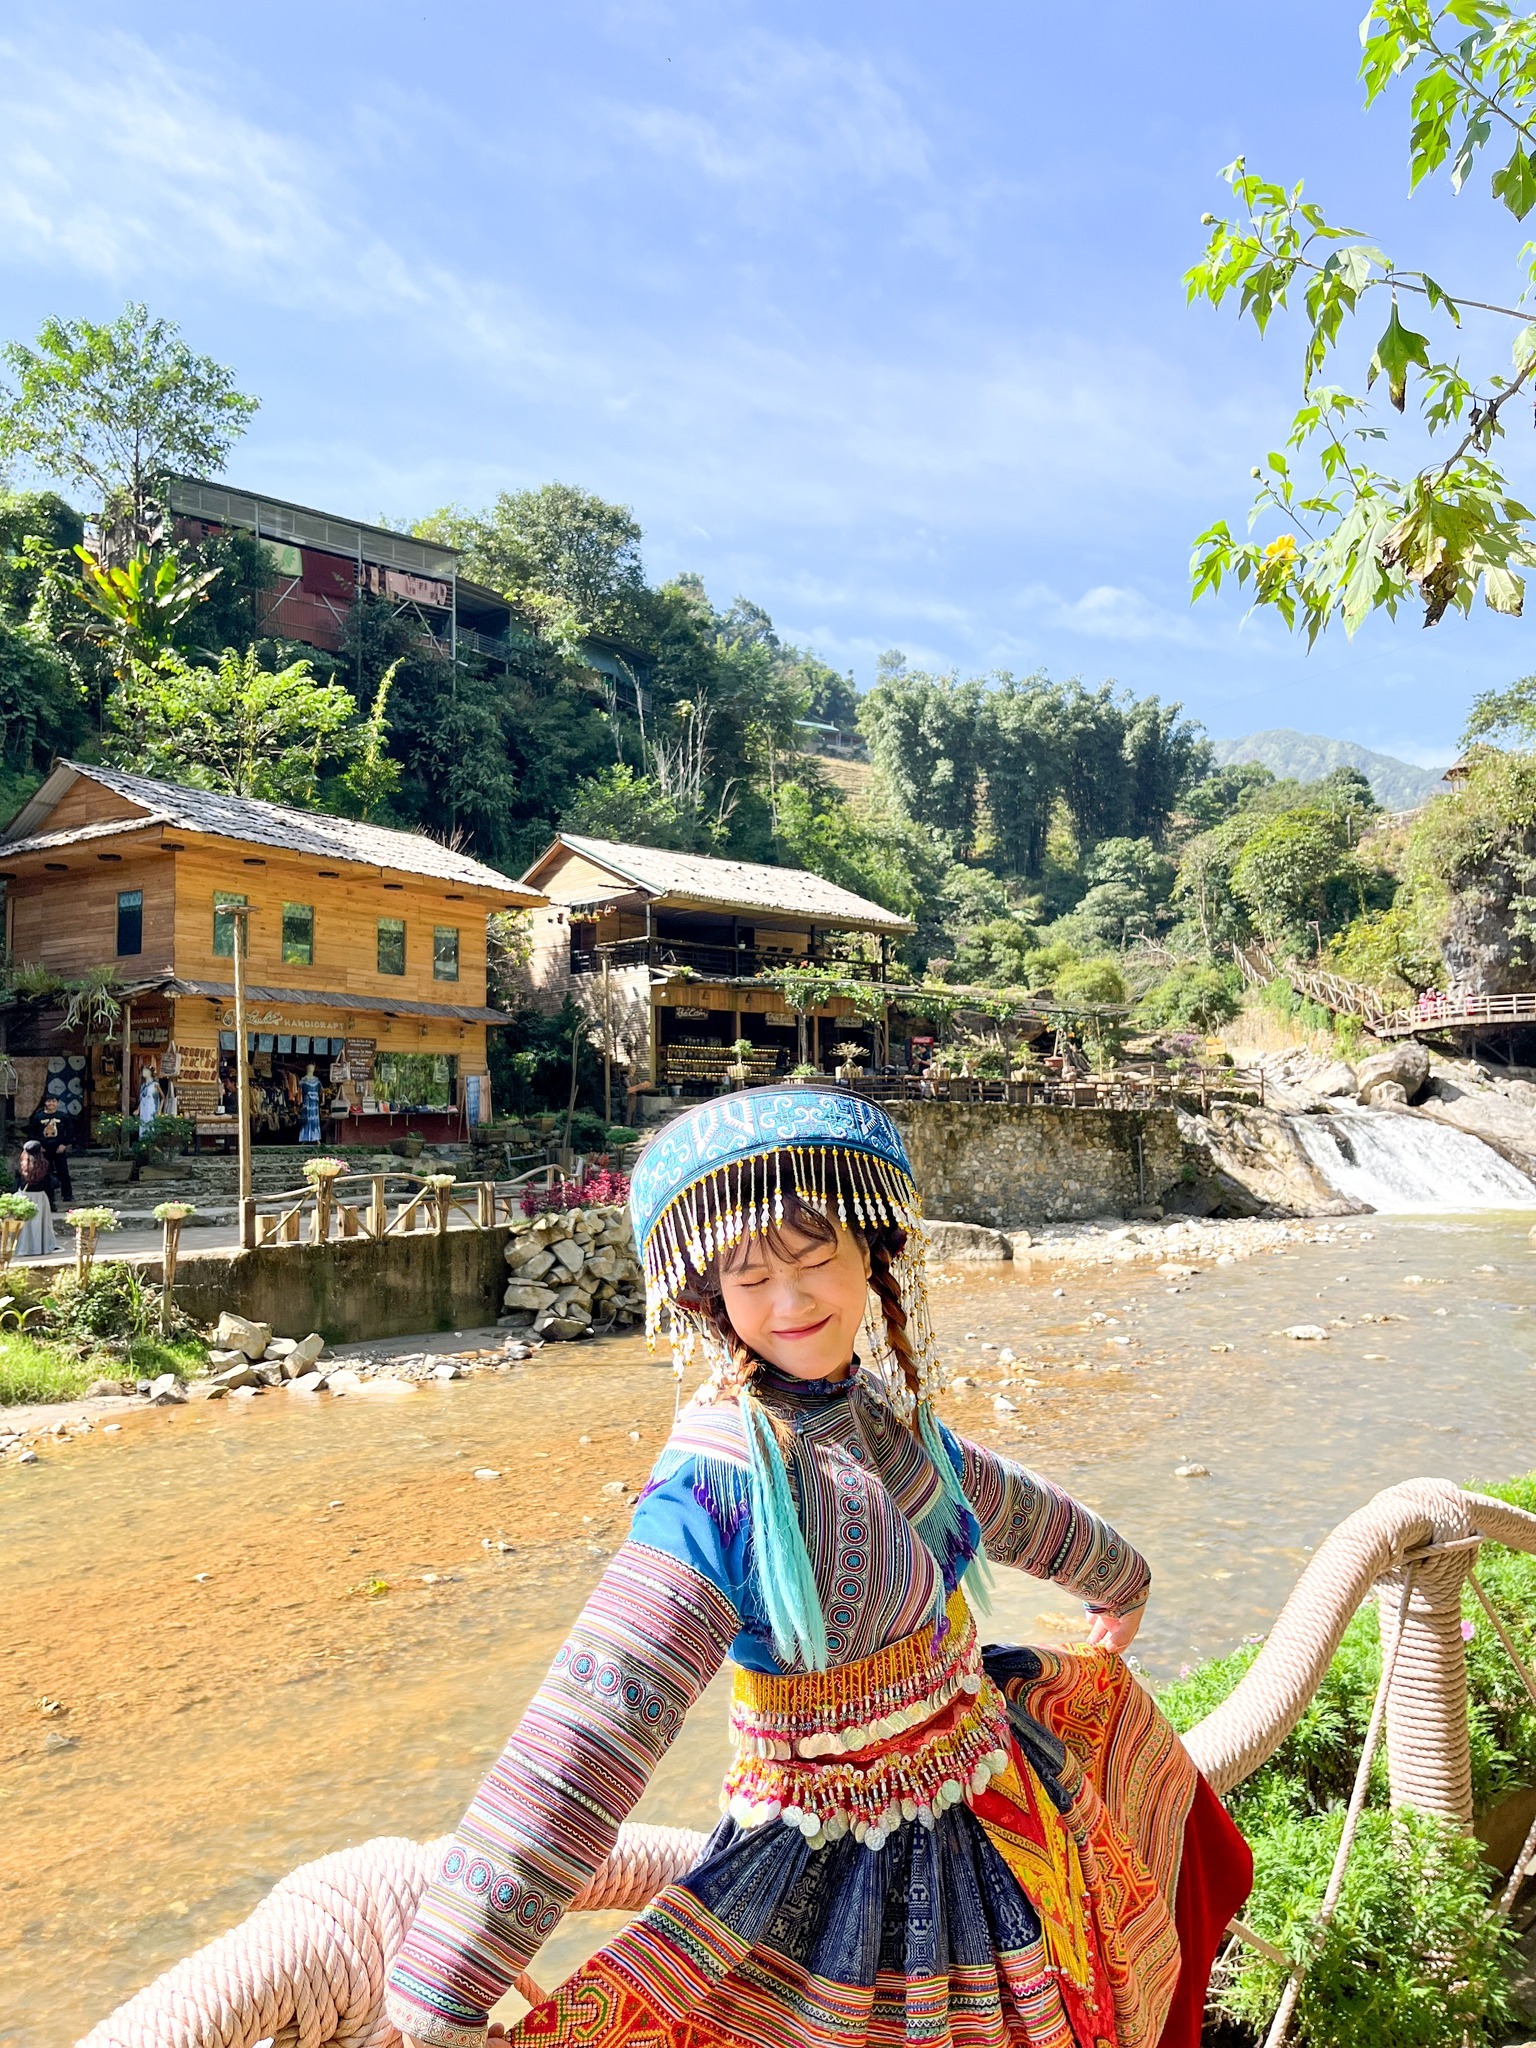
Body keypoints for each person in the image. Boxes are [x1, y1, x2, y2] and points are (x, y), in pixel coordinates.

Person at [387, 1087, 1251, 2048]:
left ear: (871, 1256)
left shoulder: (878, 1414)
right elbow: (596, 1722)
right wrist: (445, 1985)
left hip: (986, 1782)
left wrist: (1116, 1577)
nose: (790, 1302)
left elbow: (999, 1501)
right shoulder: (717, 1483)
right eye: (750, 1278)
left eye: (813, 1259)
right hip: (841, 1869)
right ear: (708, 1296)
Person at [14, 1140, 58, 1256]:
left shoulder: (21, 1165)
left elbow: (17, 1183)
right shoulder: (45, 1165)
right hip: (40, 1197)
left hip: (24, 1197)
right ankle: (40, 1248)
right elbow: (49, 1184)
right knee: (40, 1224)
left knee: (26, 1225)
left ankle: (24, 1248)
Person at [27, 1093, 74, 1200]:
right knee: (45, 1173)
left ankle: (67, 1195)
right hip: (43, 1149)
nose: (51, 1103)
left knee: (63, 1172)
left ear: (57, 1103)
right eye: (49, 1101)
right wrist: (38, 1146)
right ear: (45, 1103)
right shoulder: (38, 1117)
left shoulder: (63, 1116)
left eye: (53, 1101)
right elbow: (32, 1133)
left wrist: (64, 1144)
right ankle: (48, 1196)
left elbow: (70, 1131)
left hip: (59, 1148)